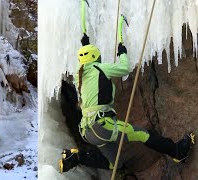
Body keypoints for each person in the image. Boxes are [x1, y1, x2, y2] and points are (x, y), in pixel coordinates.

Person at [58, 33, 195, 173]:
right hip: (101, 126)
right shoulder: (100, 68)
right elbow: (124, 68)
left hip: (87, 132)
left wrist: (86, 45)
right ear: (95, 57)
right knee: (142, 134)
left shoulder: (78, 77)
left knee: (115, 164)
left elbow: (87, 63)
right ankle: (177, 152)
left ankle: (77, 158)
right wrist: (122, 53)